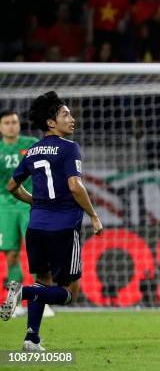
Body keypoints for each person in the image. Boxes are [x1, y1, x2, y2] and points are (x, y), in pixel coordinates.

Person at [0, 92, 103, 351]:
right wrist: (93, 214)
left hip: (36, 227)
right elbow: (75, 186)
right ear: (51, 123)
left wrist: (34, 202)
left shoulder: (32, 149)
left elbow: (12, 185)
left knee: (42, 281)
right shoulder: (70, 148)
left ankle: (31, 338)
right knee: (70, 293)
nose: (72, 118)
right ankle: (21, 293)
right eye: (65, 114)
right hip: (64, 228)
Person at [0, 110, 37, 317]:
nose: (11, 126)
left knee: (36, 252)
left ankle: (43, 301)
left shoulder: (31, 144)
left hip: (29, 204)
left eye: (14, 122)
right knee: (12, 255)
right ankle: (16, 303)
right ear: (0, 126)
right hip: (4, 206)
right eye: (6, 122)